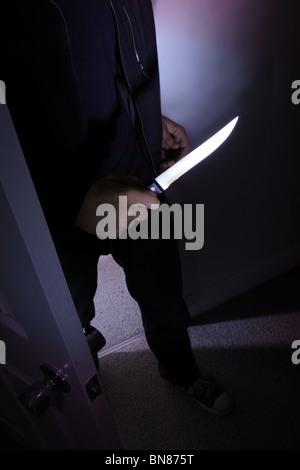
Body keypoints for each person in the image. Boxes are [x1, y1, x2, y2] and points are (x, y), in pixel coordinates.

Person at [1, 0, 233, 415]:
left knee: (165, 299)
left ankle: (180, 371)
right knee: (67, 322)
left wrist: (148, 120)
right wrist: (73, 198)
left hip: (140, 179)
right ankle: (80, 386)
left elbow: (107, 72)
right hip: (58, 208)